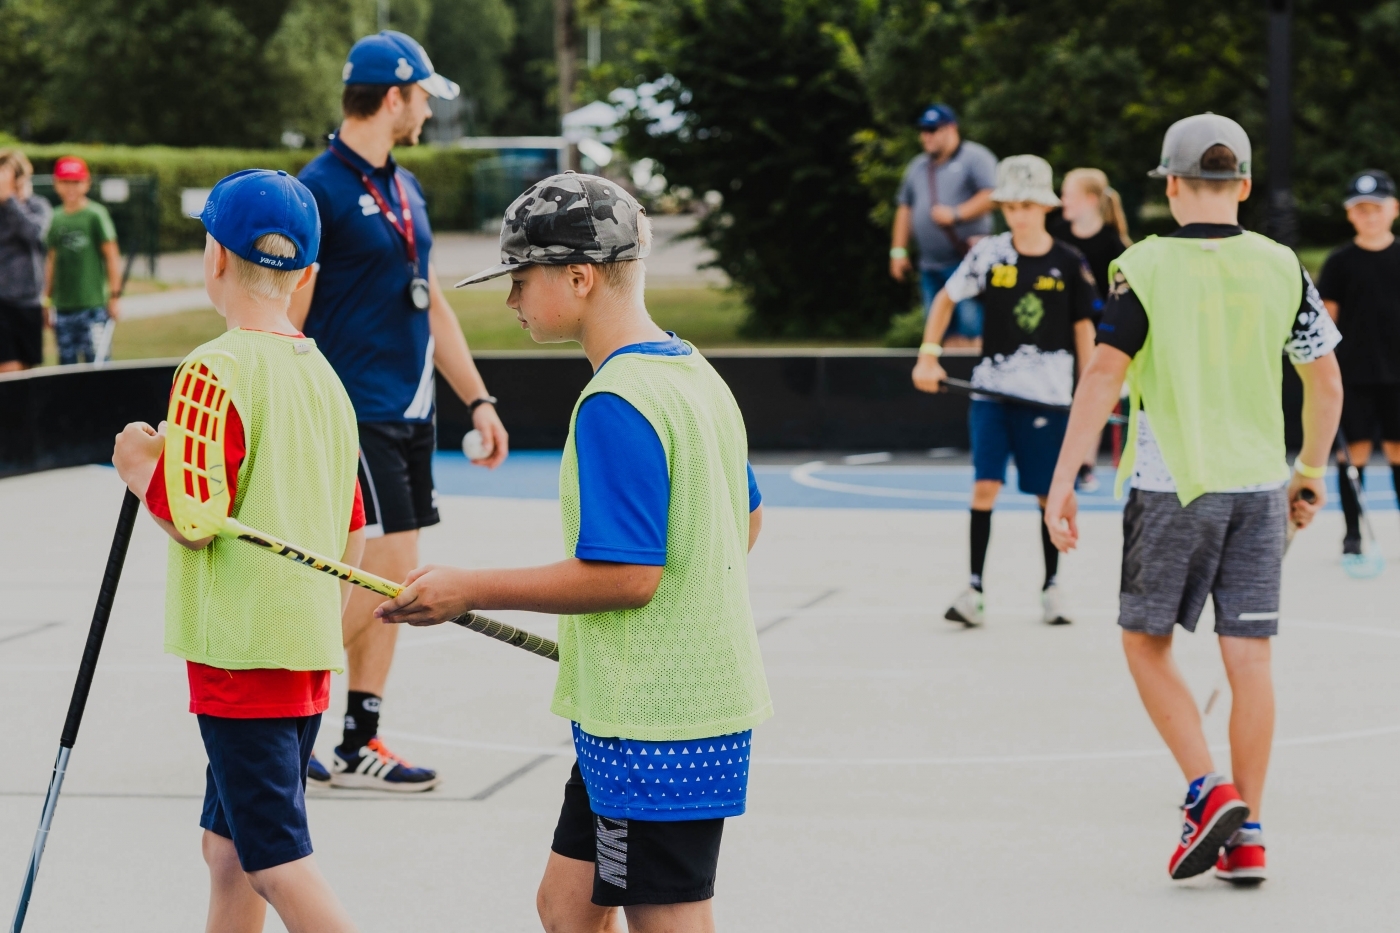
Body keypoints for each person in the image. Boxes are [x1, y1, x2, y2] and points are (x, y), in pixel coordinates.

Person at [374, 174, 771, 933]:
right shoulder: (694, 374)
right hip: (637, 710)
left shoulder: (616, 402)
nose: (512, 300)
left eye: (521, 280)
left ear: (580, 277)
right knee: (566, 906)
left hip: (658, 720)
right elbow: (743, 520)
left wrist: (469, 587)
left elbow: (628, 576)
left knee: (669, 916)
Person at [1043, 114, 1344, 884]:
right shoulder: (1284, 266)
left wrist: (1063, 478)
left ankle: (1208, 790)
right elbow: (1326, 380)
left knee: (1145, 641)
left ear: (1171, 186)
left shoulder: (1141, 267)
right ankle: (1250, 835)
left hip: (1172, 481)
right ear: (1242, 186)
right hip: (1259, 484)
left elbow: (1106, 374)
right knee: (1249, 658)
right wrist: (1309, 467)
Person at [111, 169, 364, 933]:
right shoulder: (326, 377)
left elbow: (194, 517)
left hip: (240, 654)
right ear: (307, 275)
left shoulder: (211, 370)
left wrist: (139, 470)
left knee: (275, 859)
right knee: (228, 849)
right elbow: (352, 525)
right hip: (304, 646)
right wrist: (321, 622)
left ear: (212, 258)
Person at [291, 30, 509, 791]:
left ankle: (360, 737)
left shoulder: (407, 190)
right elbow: (287, 315)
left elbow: (433, 301)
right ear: (394, 98)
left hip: (411, 412)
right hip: (353, 413)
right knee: (383, 581)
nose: (425, 111)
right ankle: (287, 722)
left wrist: (477, 398)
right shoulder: (315, 190)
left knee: (394, 577)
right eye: (421, 97)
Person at [912, 154, 1098, 628]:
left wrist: (1090, 387)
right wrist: (928, 354)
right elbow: (946, 299)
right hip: (992, 394)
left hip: (1049, 399)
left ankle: (1052, 587)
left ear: (1046, 207)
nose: (1019, 214)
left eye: (1028, 205)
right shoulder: (989, 254)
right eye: (1011, 205)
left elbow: (1083, 332)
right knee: (985, 486)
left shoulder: (1069, 263)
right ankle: (974, 589)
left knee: (1046, 495)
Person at [1316, 169, 1400, 555]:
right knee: (1354, 455)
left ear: (1393, 209)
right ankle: (1352, 534)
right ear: (1350, 214)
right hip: (1354, 374)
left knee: (1398, 452)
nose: (1369, 216)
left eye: (1376, 208)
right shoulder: (1339, 262)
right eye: (1361, 209)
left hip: (1396, 375)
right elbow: (1326, 319)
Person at [1051, 167, 1133, 492]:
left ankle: (1085, 463)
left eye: (1067, 194)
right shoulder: (1056, 232)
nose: (1061, 200)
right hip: (1058, 331)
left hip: (1097, 336)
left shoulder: (1114, 245)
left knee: (1092, 393)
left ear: (1089, 200)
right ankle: (1059, 458)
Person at [889, 103, 997, 347]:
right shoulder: (918, 166)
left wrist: (957, 214)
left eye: (933, 129)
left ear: (951, 129)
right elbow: (904, 207)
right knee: (939, 334)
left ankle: (972, 382)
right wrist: (898, 250)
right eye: (923, 130)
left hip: (966, 262)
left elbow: (992, 195)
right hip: (930, 266)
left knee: (971, 333)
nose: (926, 136)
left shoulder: (976, 158)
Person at [45, 156, 121, 365]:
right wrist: (46, 299)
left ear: (86, 183)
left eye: (76, 182)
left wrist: (114, 296)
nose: (71, 188)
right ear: (56, 184)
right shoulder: (55, 217)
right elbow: (51, 260)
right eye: (65, 181)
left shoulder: (95, 215)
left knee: (97, 363)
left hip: (93, 306)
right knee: (67, 366)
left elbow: (111, 256)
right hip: (64, 308)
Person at [0, 149, 51, 372]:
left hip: (28, 301)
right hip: (2, 303)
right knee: (9, 373)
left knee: (26, 376)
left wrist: (12, 201)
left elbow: (35, 234)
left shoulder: (37, 206)